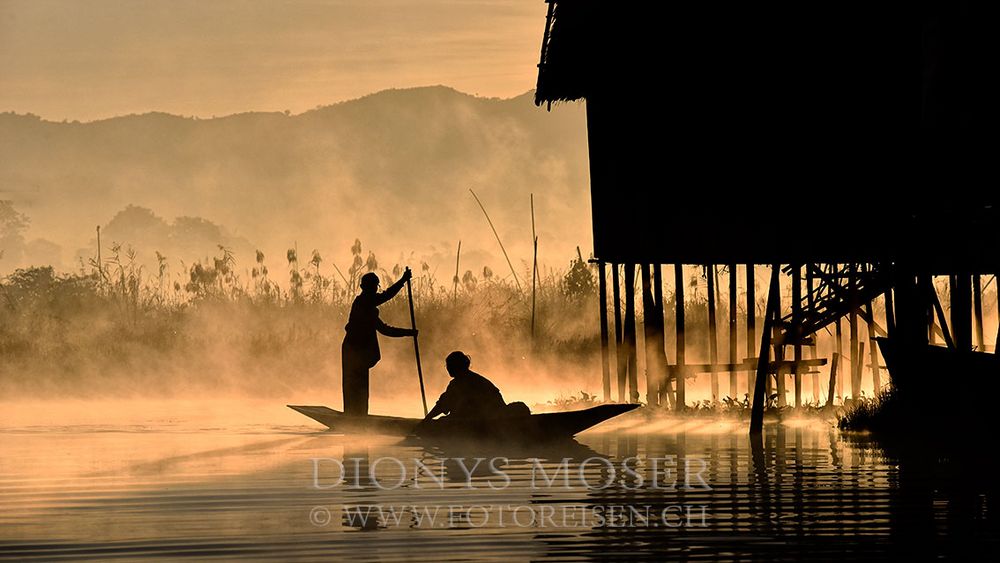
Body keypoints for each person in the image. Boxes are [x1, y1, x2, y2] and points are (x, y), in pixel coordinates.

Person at [341, 268, 416, 416]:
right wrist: (402, 281)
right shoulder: (362, 302)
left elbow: (384, 329)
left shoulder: (369, 308)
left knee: (362, 386)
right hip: (352, 350)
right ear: (364, 288)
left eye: (375, 286)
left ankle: (360, 416)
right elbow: (387, 295)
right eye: (372, 287)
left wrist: (409, 333)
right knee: (352, 385)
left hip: (360, 351)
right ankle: (352, 416)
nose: (374, 289)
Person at [421, 351, 510, 421]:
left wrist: (426, 420)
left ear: (456, 366)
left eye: (449, 365)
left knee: (443, 420)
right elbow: (443, 404)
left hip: (481, 420)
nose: (447, 368)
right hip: (493, 417)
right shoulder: (477, 379)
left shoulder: (457, 384)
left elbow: (442, 405)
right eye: (447, 366)